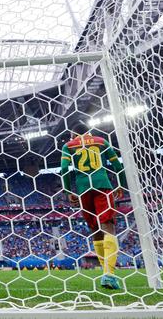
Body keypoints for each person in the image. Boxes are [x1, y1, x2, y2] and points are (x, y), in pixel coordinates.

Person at [61, 123, 126, 290]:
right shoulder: (101, 141)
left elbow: (64, 169)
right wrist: (120, 184)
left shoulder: (68, 145)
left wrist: (68, 191)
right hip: (102, 185)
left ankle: (106, 273)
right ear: (88, 130)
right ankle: (109, 274)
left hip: (83, 188)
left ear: (73, 133)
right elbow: (117, 165)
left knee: (95, 230)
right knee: (108, 226)